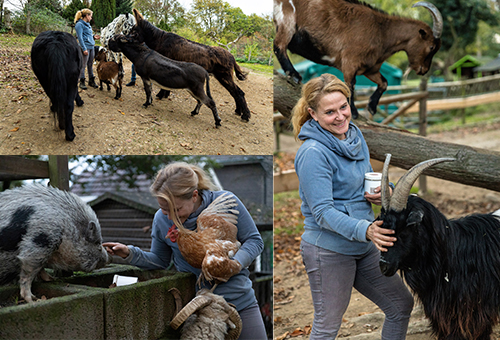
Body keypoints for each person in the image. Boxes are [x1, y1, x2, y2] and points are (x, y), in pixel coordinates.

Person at [291, 73, 414, 339]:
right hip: (329, 251)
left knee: (401, 306)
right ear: (313, 114)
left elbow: (368, 178)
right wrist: (368, 230)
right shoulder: (313, 153)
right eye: (330, 112)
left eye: (343, 107)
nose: (340, 116)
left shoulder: (355, 137)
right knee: (326, 329)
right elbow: (323, 213)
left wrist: (386, 191)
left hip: (363, 244)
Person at [103, 162, 268, 339]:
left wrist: (235, 264)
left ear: (194, 195)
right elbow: (160, 260)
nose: (169, 216)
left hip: (238, 302)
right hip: (196, 308)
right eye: (163, 209)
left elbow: (254, 240)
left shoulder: (225, 202)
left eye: (176, 209)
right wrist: (130, 253)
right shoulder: (161, 219)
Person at [74, 9, 100, 90]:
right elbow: (80, 38)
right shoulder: (79, 24)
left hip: (91, 47)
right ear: (86, 16)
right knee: (83, 65)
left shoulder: (88, 24)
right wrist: (84, 49)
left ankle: (91, 81)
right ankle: (81, 81)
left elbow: (87, 36)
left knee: (90, 64)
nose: (91, 18)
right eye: (90, 16)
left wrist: (93, 37)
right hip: (85, 48)